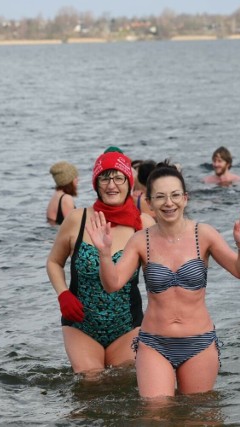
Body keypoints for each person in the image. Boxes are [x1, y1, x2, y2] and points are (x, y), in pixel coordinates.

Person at [86, 161, 240, 398]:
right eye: (160, 197)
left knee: (197, 415)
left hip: (199, 342)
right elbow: (112, 284)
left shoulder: (204, 234)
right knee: (156, 413)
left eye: (175, 195)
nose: (169, 203)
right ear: (149, 202)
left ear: (185, 198)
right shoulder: (140, 240)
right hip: (154, 343)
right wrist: (104, 255)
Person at [46, 147, 155, 377]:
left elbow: (159, 273)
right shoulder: (78, 219)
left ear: (129, 183)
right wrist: (63, 294)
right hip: (81, 324)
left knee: (125, 384)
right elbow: (54, 262)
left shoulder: (143, 224)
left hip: (127, 325)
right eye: (105, 178)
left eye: (118, 177)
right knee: (90, 381)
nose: (111, 184)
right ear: (96, 184)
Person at [47, 161, 79, 225]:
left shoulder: (55, 196)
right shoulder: (66, 198)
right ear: (68, 181)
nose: (78, 180)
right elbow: (71, 226)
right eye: (75, 177)